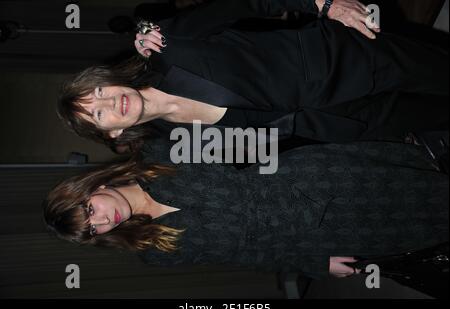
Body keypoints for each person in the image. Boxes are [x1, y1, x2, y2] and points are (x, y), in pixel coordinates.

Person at [58, 0, 448, 157]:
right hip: (348, 120)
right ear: (110, 134)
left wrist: (325, 4)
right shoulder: (175, 143)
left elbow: (248, 2)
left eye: (99, 92)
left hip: (342, 61)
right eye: (99, 114)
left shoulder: (166, 45)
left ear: (108, 79)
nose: (109, 102)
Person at [43, 141, 449, 279]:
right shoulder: (154, 251)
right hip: (316, 235)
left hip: (317, 179)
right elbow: (246, 254)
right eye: (92, 230)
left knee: (427, 185)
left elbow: (250, 139)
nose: (101, 221)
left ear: (91, 187)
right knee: (429, 223)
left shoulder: (157, 153)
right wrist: (314, 265)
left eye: (89, 210)